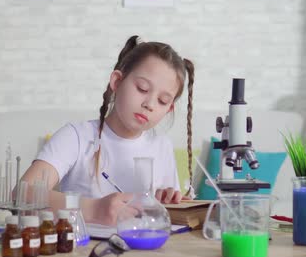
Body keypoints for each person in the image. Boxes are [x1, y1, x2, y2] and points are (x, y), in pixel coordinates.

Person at [20, 35, 195, 226]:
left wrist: (164, 205)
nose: (150, 104)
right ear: (117, 82)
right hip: (81, 252)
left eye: (163, 101)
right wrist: (95, 209)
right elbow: (23, 193)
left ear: (169, 109)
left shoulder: (162, 146)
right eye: (142, 88)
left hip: (144, 252)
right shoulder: (76, 137)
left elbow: (162, 219)